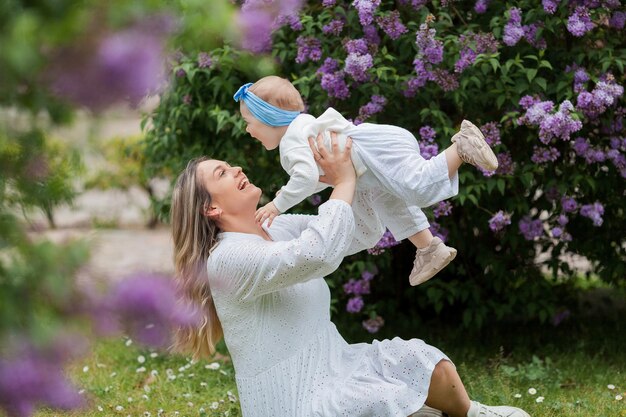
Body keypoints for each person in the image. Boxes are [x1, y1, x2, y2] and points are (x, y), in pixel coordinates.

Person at [169, 132, 529, 417]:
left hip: (340, 366)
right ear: (211, 207)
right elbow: (316, 253)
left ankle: (471, 413)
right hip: (296, 403)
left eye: (230, 166)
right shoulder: (227, 259)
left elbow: (357, 231)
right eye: (223, 173)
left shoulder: (277, 227)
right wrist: (342, 184)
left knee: (429, 364)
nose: (237, 170)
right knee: (392, 399)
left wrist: (363, 172)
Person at [233, 75, 498, 286]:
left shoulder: (291, 142)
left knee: (418, 188)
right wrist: (294, 189)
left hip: (372, 152)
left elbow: (307, 176)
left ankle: (461, 146)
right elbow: (322, 174)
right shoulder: (302, 127)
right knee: (380, 212)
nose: (247, 130)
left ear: (268, 118)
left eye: (249, 122)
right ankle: (428, 248)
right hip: (367, 167)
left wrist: (277, 205)